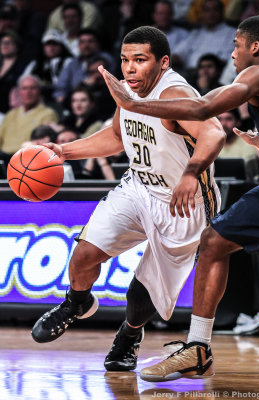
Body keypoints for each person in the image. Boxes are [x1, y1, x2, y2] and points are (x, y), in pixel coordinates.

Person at [98, 15, 259, 381]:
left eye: (236, 44)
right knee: (214, 241)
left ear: (255, 47)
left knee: (213, 242)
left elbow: (202, 109)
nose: (231, 53)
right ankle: (198, 348)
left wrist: (134, 104)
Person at [30, 26, 225, 375]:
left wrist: (191, 172)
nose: (130, 68)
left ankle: (130, 334)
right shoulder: (128, 92)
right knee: (85, 253)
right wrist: (64, 151)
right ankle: (77, 302)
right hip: (138, 187)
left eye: (140, 60)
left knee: (140, 297)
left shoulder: (176, 93)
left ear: (163, 63)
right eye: (124, 60)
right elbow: (118, 136)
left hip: (183, 203)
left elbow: (214, 132)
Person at [0, 75, 58, 165]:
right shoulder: (10, 114)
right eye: (24, 88)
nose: (28, 92)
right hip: (3, 157)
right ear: (19, 92)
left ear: (39, 91)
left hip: (27, 159)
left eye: (32, 88)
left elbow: (44, 144)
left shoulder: (48, 114)